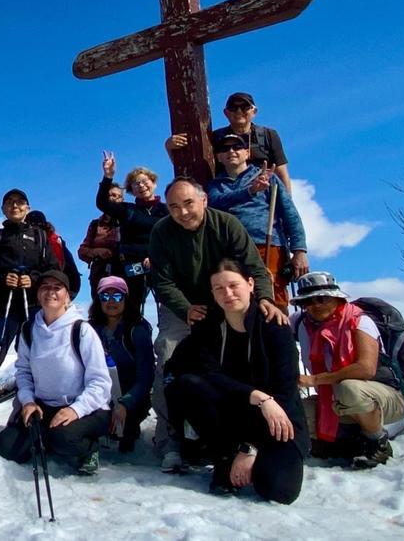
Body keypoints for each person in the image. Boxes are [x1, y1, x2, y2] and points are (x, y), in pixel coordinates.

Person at [148, 176, 280, 472]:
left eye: (188, 203)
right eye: (174, 207)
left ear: (204, 200)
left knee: (241, 358)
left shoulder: (227, 225)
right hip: (181, 305)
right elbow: (163, 281)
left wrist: (266, 300)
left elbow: (253, 267)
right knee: (169, 354)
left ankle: (253, 434)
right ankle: (170, 440)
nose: (182, 212)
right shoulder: (161, 233)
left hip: (226, 300)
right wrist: (185, 309)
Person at [164, 260, 307, 504]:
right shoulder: (208, 327)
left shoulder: (274, 326)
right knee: (187, 384)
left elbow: (285, 390)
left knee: (279, 490)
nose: (227, 294)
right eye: (219, 288)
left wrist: (251, 446)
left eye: (233, 285)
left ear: (250, 284)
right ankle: (224, 458)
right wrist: (256, 396)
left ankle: (248, 457)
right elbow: (210, 375)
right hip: (232, 416)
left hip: (275, 419)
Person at [0, 270, 112, 476]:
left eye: (57, 287)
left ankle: (88, 448)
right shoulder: (29, 329)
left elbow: (100, 383)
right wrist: (28, 401)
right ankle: (47, 436)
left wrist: (75, 410)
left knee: (63, 439)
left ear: (67, 295)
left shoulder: (81, 330)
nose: (51, 292)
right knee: (6, 445)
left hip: (86, 408)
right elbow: (23, 372)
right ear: (38, 294)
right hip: (43, 407)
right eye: (45, 287)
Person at [292, 271, 404, 469]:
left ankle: (376, 441)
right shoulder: (301, 323)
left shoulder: (359, 321)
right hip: (334, 400)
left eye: (322, 299)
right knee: (292, 413)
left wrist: (316, 380)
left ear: (336, 298)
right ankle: (348, 443)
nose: (315, 305)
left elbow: (366, 368)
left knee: (349, 389)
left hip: (383, 398)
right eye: (307, 302)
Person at [0, 188, 54, 438]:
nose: (15, 206)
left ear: (27, 207)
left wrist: (34, 279)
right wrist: (3, 278)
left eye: (20, 202)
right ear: (3, 209)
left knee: (36, 360)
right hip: (1, 305)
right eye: (10, 203)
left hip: (32, 306)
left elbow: (52, 269)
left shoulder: (40, 237)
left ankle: (33, 412)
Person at [207, 133, 309, 309]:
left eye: (237, 147)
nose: (231, 151)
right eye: (225, 149)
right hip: (231, 250)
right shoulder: (214, 186)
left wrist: (299, 251)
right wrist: (250, 191)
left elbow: (290, 213)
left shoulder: (269, 177)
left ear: (247, 153)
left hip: (267, 245)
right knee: (238, 300)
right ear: (219, 157)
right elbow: (215, 202)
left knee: (273, 297)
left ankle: (278, 334)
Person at [166, 91, 292, 194]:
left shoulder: (268, 135)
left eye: (245, 107)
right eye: (233, 107)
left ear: (254, 111)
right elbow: (193, 170)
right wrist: (170, 148)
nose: (238, 111)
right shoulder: (214, 138)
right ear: (226, 113)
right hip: (228, 200)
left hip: (263, 198)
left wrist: (287, 205)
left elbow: (282, 173)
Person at [87, 276, 154, 453]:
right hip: (98, 394)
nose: (111, 302)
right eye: (105, 297)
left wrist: (125, 404)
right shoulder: (89, 330)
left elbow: (145, 377)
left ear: (126, 299)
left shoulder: (137, 331)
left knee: (125, 436)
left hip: (130, 396)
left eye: (117, 296)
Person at [96, 153, 168, 305]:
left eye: (144, 181)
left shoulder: (167, 210)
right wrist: (108, 176)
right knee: (131, 307)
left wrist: (156, 257)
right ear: (131, 191)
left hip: (162, 265)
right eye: (136, 184)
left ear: (154, 183)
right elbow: (102, 203)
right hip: (132, 267)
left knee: (167, 305)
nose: (141, 185)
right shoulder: (126, 209)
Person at [25, 210, 83, 299]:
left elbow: (57, 269)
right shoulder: (50, 239)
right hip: (61, 285)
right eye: (31, 226)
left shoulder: (53, 241)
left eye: (38, 226)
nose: (34, 229)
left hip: (67, 286)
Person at [78, 182, 124, 293]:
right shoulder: (95, 225)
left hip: (125, 273)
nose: (113, 199)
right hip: (101, 275)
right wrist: (98, 252)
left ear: (122, 199)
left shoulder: (130, 221)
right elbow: (82, 251)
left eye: (117, 196)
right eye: (110, 195)